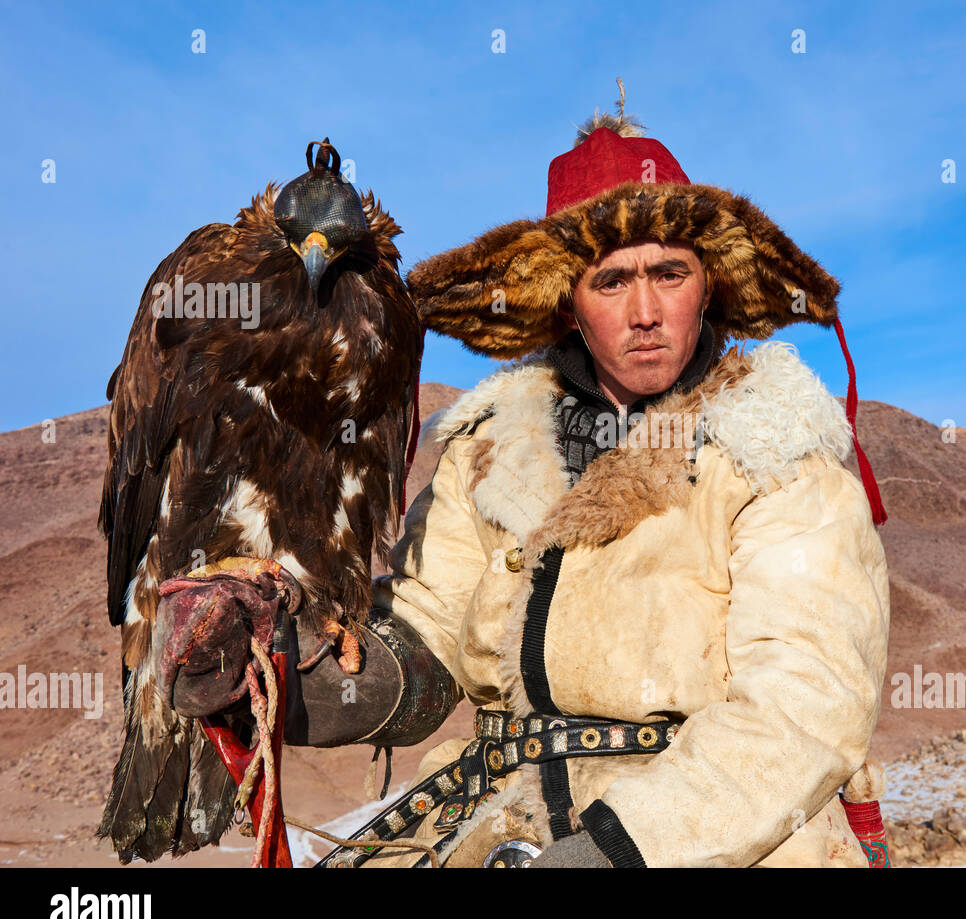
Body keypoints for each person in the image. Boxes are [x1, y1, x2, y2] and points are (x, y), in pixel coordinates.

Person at [166, 100, 893, 868]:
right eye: (611, 281)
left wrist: (612, 851)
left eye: (669, 273)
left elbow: (802, 709)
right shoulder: (487, 451)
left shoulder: (777, 455)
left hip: (707, 835)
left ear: (706, 286)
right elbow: (423, 644)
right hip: (495, 814)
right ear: (568, 301)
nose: (645, 311)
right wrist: (279, 673)